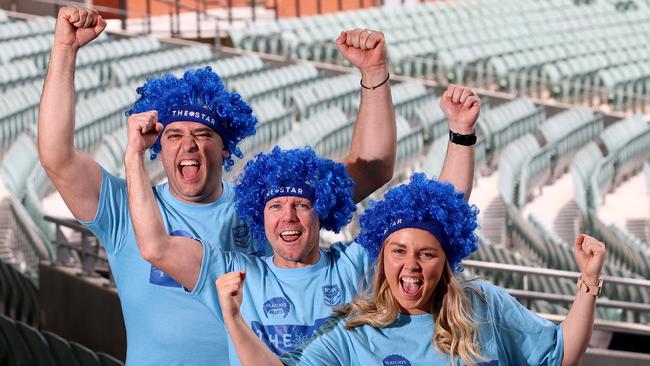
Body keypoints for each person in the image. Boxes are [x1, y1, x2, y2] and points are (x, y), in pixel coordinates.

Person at [38, 7, 399, 366]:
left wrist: (374, 73)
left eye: (203, 134)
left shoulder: (269, 207)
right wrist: (65, 49)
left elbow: (374, 167)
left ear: (226, 148)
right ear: (157, 146)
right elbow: (57, 157)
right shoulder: (127, 206)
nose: (188, 145)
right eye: (174, 135)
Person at [126, 83, 480, 365]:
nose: (288, 217)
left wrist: (461, 133)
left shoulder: (354, 265)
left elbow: (440, 212)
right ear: (259, 216)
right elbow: (155, 247)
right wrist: (135, 156)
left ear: (322, 212)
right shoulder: (235, 274)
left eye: (302, 205)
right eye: (275, 206)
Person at [216, 173, 606, 366]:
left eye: (427, 254)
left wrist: (588, 283)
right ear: (381, 259)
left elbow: (560, 353)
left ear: (447, 260)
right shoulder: (352, 331)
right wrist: (234, 319)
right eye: (398, 251)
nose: (411, 266)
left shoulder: (485, 304)